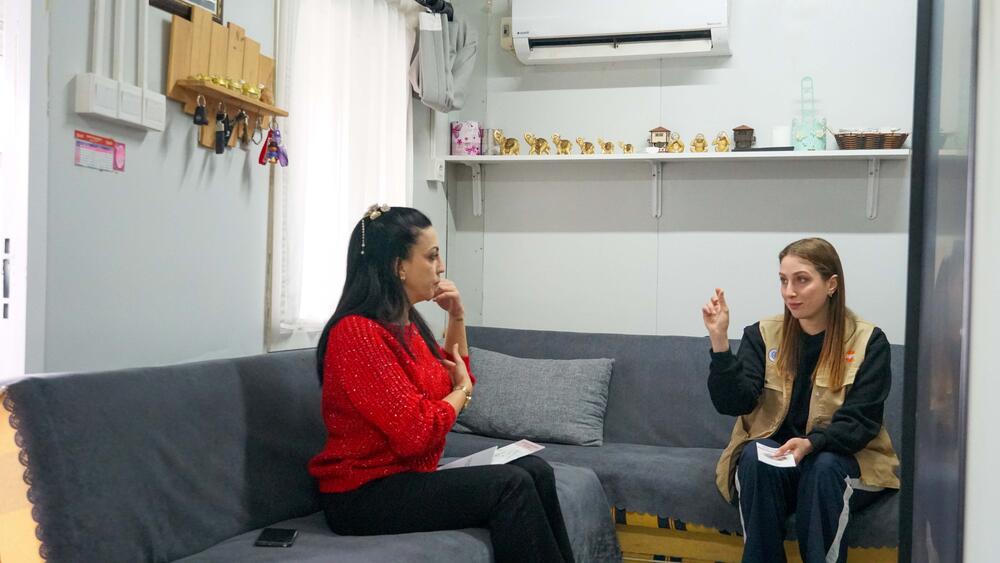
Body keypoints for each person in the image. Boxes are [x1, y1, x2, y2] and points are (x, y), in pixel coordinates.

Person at [308, 204, 575, 563]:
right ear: (397, 265)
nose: (442, 267)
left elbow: (452, 375)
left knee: (533, 468)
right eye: (432, 256)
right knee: (511, 486)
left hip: (409, 476)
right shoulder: (357, 334)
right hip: (364, 493)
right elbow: (419, 430)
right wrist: (461, 392)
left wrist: (457, 316)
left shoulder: (407, 325)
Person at [701, 237, 899, 563]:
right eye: (783, 280)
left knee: (823, 467)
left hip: (845, 460)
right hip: (785, 460)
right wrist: (720, 342)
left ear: (831, 284)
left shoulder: (868, 341)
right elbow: (734, 403)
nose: (789, 291)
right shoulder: (762, 334)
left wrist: (812, 443)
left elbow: (860, 422)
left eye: (801, 280)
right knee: (753, 458)